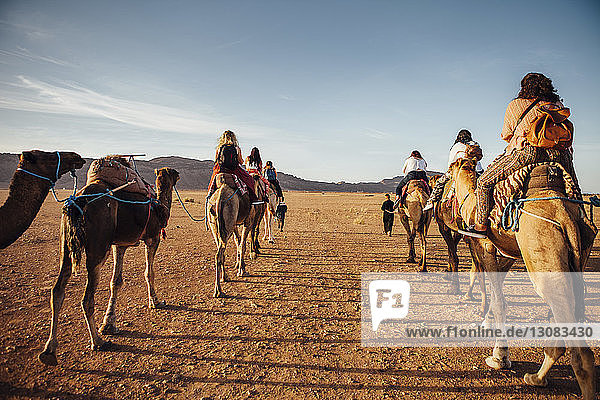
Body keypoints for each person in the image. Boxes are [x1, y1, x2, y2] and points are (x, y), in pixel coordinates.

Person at [467, 72, 580, 237]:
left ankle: (481, 226)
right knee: (574, 187)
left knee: (484, 181)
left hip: (528, 153)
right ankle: (581, 220)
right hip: (560, 155)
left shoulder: (516, 105)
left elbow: (506, 135)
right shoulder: (557, 105)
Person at [423, 129, 483, 211]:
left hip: (458, 170)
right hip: (474, 170)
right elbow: (479, 162)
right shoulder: (474, 145)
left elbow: (450, 162)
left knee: (439, 183)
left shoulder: (456, 146)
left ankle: (430, 202)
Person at [207, 130, 258, 201]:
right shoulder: (237, 148)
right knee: (250, 181)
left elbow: (216, 161)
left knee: (211, 185)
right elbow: (240, 162)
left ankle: (208, 200)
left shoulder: (219, 149)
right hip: (233, 171)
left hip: (221, 170)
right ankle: (253, 200)